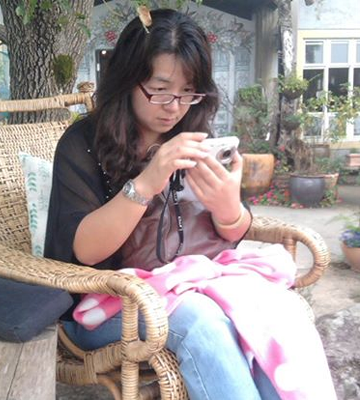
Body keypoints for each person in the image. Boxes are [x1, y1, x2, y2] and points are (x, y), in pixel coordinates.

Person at [45, 8, 335, 400]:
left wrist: (229, 208)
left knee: (271, 316)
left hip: (193, 284)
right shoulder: (84, 143)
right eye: (160, 89)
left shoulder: (195, 135)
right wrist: (147, 182)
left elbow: (230, 233)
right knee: (203, 322)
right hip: (109, 305)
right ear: (128, 79)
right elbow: (86, 251)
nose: (174, 106)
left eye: (188, 92)